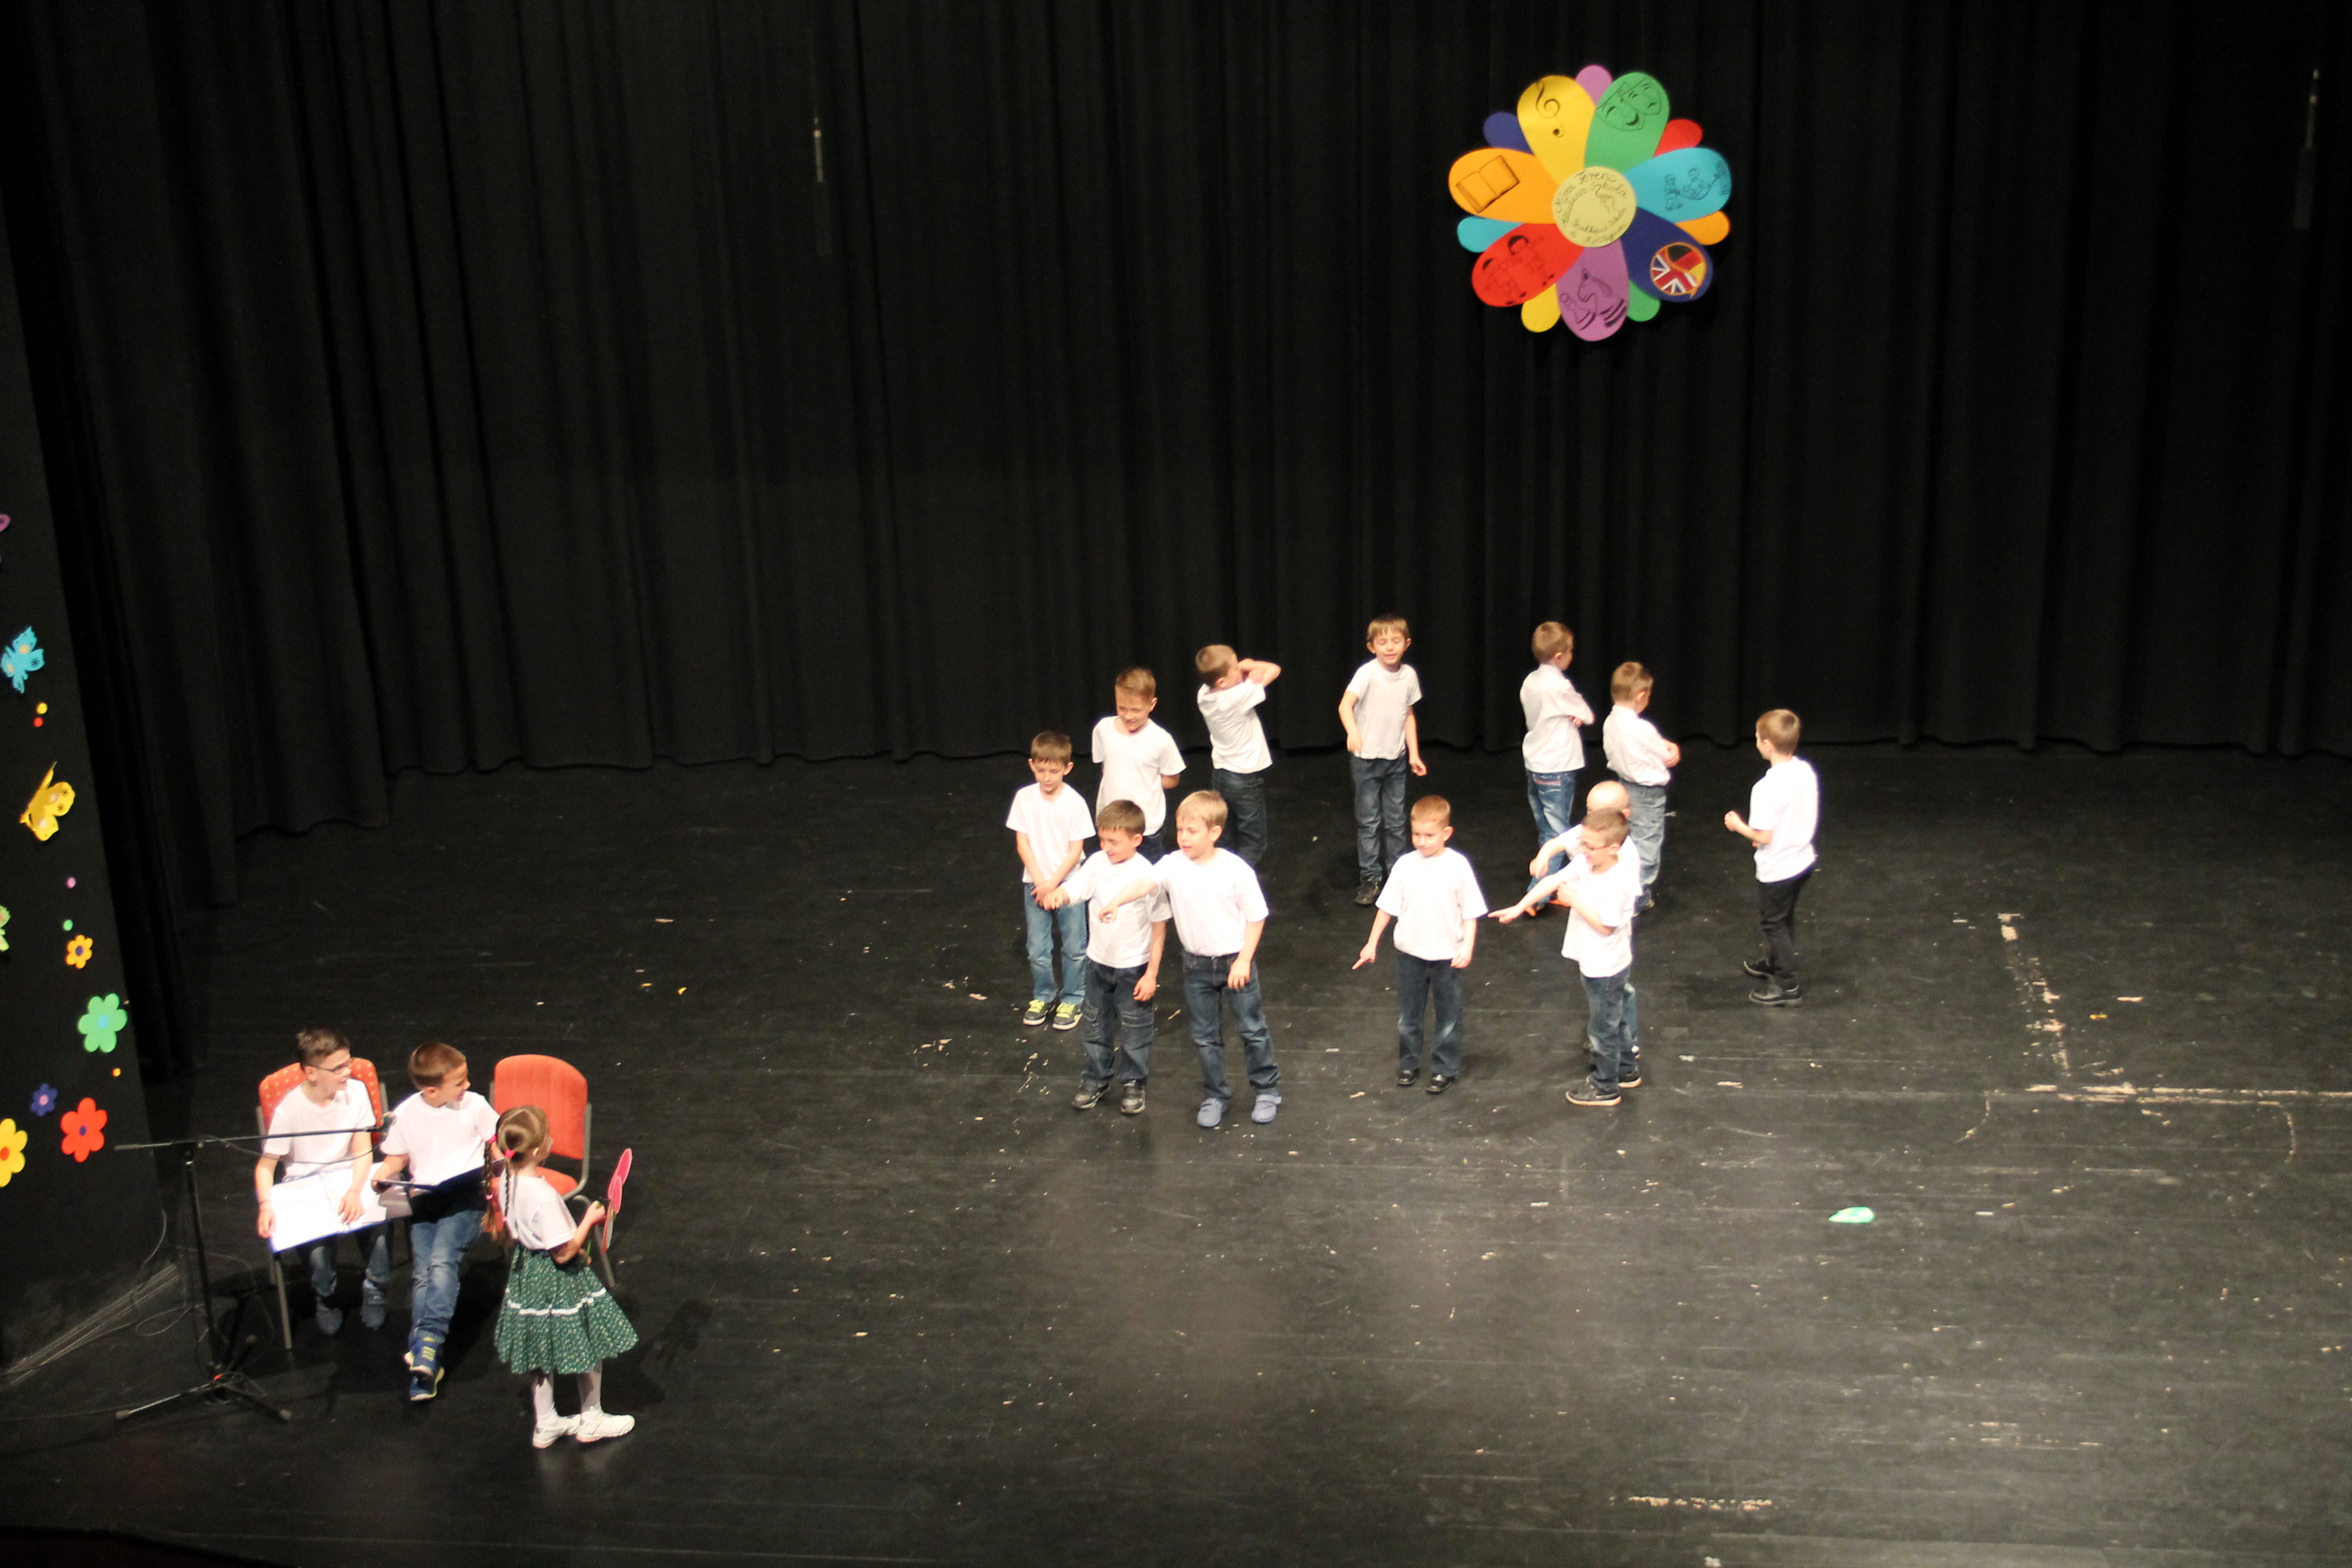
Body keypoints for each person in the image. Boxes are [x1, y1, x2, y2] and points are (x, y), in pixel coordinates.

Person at [1097, 791, 1281, 1128]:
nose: (1183, 837)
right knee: (1205, 1036)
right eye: (1180, 830)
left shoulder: (1234, 870)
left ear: (1214, 833)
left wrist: (1244, 960)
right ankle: (1216, 1094)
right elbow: (1144, 884)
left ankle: (1266, 1089)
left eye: (1192, 831)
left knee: (1252, 1029)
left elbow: (1257, 917)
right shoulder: (1172, 864)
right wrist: (1116, 901)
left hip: (1233, 962)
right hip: (1197, 966)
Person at [492, 1105, 638, 1448]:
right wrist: (590, 1220)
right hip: (557, 1278)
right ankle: (592, 1418)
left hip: (529, 1273)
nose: (553, 1140)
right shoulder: (543, 1196)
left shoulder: (507, 1181)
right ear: (536, 1150)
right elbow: (562, 1252)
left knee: (539, 1351)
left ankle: (546, 1423)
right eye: (549, 1136)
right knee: (589, 1339)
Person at [372, 1040, 498, 1401]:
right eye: (459, 1082)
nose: (467, 1086)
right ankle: (426, 1364)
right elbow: (396, 1158)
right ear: (431, 1090)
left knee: (443, 1262)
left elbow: (496, 1143)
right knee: (423, 1274)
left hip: (465, 1197)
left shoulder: (474, 1105)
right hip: (426, 1201)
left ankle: (427, 1342)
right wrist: (384, 1173)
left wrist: (500, 1173)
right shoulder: (406, 1114)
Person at [1495, 810, 1642, 1107]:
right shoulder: (1588, 863)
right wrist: (1521, 906)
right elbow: (1554, 880)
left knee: (1603, 1028)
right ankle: (1626, 1070)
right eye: (1582, 843)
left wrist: (1575, 900)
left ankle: (1605, 1086)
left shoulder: (1617, 881)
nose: (1583, 850)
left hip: (1606, 966)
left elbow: (1607, 926)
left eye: (1590, 846)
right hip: (1596, 960)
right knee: (1615, 1020)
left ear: (1613, 848)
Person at [253, 1027, 389, 1337]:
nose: (348, 1072)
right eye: (338, 1068)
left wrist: (355, 1190)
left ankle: (376, 1287)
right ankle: (326, 1295)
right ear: (312, 1073)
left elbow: (363, 1150)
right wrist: (266, 1205)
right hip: (307, 1185)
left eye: (348, 1063)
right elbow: (265, 1167)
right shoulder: (290, 1111)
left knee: (380, 1225)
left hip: (348, 1175)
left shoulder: (356, 1092)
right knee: (317, 1254)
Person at [1353, 795, 1485, 1093]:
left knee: (1448, 1017)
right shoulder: (1404, 866)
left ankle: (1444, 1068)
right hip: (1410, 954)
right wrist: (1372, 943)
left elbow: (1470, 911)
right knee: (1408, 1016)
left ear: (1446, 833)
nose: (1422, 842)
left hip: (1447, 956)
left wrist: (1467, 947)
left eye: (1429, 835)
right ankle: (1408, 1063)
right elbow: (1386, 908)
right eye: (1416, 835)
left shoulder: (1458, 866)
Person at [1059, 798, 1170, 1115]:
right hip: (1098, 963)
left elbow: (1159, 928)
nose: (1105, 847)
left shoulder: (1148, 876)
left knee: (1135, 1030)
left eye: (1113, 842)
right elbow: (1076, 889)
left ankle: (1134, 1082)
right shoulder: (1096, 863)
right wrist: (1059, 894)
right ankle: (1096, 1078)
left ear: (1137, 840)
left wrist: (1151, 974)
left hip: (1133, 967)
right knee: (1094, 1025)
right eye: (1103, 840)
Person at [1724, 708, 1819, 1006]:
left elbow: (1763, 836)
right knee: (1784, 917)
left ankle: (1787, 986)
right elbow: (1788, 818)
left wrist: (1738, 826)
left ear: (1767, 745)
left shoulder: (1765, 788)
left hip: (1779, 869)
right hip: (1802, 860)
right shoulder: (1805, 771)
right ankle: (1776, 963)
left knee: (1775, 924)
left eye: (1757, 738)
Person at [1006, 730, 1095, 1030]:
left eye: (1054, 771)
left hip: (1069, 884)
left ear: (1067, 768)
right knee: (1037, 948)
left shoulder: (1074, 802)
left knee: (1074, 946)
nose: (1047, 777)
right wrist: (1040, 881)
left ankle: (1073, 997)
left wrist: (1054, 883)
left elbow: (1076, 849)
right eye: (1041, 770)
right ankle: (1044, 994)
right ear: (1032, 765)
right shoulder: (1024, 798)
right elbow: (1022, 843)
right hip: (1036, 884)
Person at [1338, 614, 1427, 906]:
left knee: (1396, 820)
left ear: (1407, 644)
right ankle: (1371, 878)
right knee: (1369, 821)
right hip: (1366, 761)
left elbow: (1408, 716)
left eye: (1396, 641)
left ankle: (1398, 876)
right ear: (1372, 646)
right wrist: (1353, 731)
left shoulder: (1409, 676)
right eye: (1383, 642)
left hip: (1396, 759)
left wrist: (1413, 753)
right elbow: (1345, 705)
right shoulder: (1367, 674)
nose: (1389, 647)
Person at [1518, 622, 1594, 902]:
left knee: (1546, 827)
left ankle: (1547, 887)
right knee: (1558, 831)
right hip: (1557, 767)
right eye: (1571, 651)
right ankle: (1539, 894)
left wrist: (1567, 713)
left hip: (1536, 763)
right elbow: (1587, 714)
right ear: (1560, 656)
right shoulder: (1560, 685)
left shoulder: (1530, 681)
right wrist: (1576, 712)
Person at [1194, 645, 1282, 868]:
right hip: (1245, 778)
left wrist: (1240, 674)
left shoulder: (1204, 694)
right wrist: (1251, 665)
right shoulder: (1237, 697)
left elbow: (1231, 682)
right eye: (1235, 667)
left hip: (1221, 774)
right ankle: (1239, 878)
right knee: (1254, 839)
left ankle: (1220, 872)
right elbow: (1274, 670)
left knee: (1226, 833)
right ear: (1222, 682)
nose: (1239, 669)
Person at [1603, 662, 1680, 914]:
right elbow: (1665, 755)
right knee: (1647, 843)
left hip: (1624, 787)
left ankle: (1625, 890)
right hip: (1648, 794)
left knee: (1628, 840)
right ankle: (1636, 897)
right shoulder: (1642, 728)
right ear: (1641, 695)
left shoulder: (1611, 722)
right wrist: (1672, 750)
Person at [1091, 667, 1186, 859]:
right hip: (1110, 821)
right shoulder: (1103, 729)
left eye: (1136, 710)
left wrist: (1144, 782)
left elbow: (1172, 779)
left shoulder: (1161, 739)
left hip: (1146, 826)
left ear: (1152, 705)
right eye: (1122, 708)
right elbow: (1105, 767)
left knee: (1148, 872)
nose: (1128, 716)